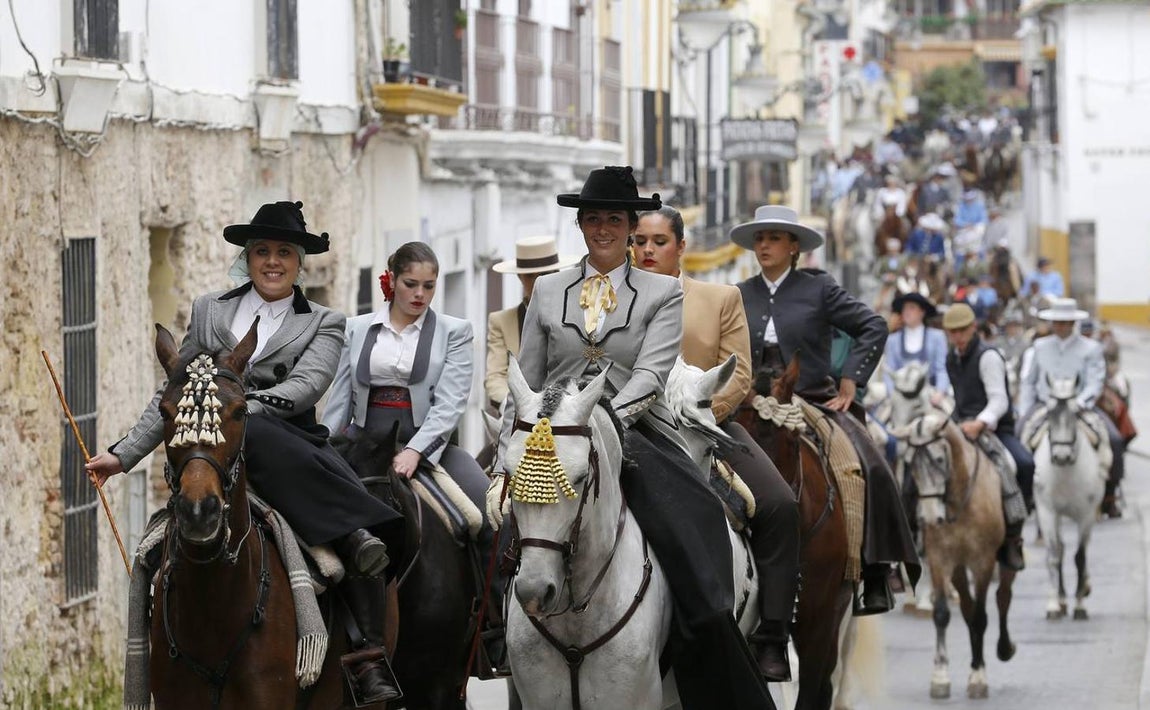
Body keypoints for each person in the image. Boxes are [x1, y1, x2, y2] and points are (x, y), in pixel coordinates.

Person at [86, 201, 402, 703]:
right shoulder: (210, 309)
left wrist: (235, 404)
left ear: (300, 261)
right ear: (248, 257)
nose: (271, 261)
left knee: (270, 443)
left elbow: (306, 386)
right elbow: (177, 391)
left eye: (283, 252)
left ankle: (367, 656)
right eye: (261, 251)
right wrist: (122, 455)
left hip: (289, 445)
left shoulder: (325, 321)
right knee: (156, 549)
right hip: (210, 446)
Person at [498, 166, 773, 708]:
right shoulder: (549, 290)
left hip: (636, 428)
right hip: (550, 435)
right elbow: (528, 374)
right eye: (594, 218)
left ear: (629, 226)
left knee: (689, 522)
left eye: (615, 220)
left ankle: (708, 637)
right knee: (497, 526)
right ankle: (490, 634)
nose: (604, 229)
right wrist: (514, 434)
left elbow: (650, 373)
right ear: (580, 224)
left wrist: (602, 422)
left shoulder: (662, 292)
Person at [633, 205, 801, 682]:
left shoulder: (720, 297)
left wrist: (698, 416)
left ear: (681, 247)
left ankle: (771, 632)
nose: (648, 250)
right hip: (633, 432)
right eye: (640, 241)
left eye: (659, 241)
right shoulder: (613, 298)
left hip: (706, 426)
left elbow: (740, 374)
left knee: (779, 505)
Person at [730, 204, 920, 616]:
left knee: (869, 460)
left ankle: (875, 569)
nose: (764, 245)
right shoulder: (739, 294)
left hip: (813, 399)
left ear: (793, 246)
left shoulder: (820, 289)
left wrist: (852, 377)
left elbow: (874, 325)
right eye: (760, 238)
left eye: (774, 238)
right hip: (748, 403)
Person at [941, 304, 1034, 570]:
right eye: (952, 332)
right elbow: (957, 395)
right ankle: (920, 528)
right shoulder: (951, 357)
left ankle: (1014, 536)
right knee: (924, 461)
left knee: (1024, 464)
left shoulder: (988, 357)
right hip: (960, 424)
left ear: (972, 328)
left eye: (962, 331)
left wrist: (980, 422)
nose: (958, 337)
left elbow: (999, 399)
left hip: (993, 426)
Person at [1019, 298, 1126, 517]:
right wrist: (1025, 410)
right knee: (1018, 436)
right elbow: (1029, 382)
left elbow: (1095, 381)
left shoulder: (1091, 348)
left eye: (1065, 322)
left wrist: (1080, 402)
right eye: (1057, 322)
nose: (1060, 326)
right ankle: (1025, 494)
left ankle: (1110, 495)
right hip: (1045, 404)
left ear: (1072, 323)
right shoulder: (1039, 347)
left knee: (1114, 439)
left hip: (1079, 405)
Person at [484, 236, 580, 410]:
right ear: (520, 277)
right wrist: (514, 404)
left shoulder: (577, 314)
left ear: (557, 274)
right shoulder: (501, 321)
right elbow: (495, 377)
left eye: (545, 275)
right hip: (520, 412)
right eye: (530, 276)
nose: (538, 282)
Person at [883, 293, 949, 399]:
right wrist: (892, 394)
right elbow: (889, 370)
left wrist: (940, 391)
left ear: (922, 312)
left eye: (912, 308)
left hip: (930, 394)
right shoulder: (892, 340)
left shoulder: (937, 337)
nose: (907, 312)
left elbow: (941, 368)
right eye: (904, 308)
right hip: (900, 395)